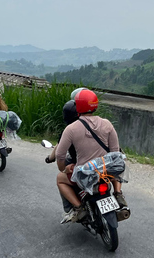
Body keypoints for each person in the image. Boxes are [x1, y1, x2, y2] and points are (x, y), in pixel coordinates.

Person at [54, 89, 127, 224]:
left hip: (85, 175)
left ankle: (78, 207)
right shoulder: (107, 123)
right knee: (117, 163)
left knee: (60, 179)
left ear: (78, 107)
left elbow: (59, 154)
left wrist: (64, 169)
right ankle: (118, 193)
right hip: (106, 172)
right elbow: (115, 152)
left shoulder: (71, 128)